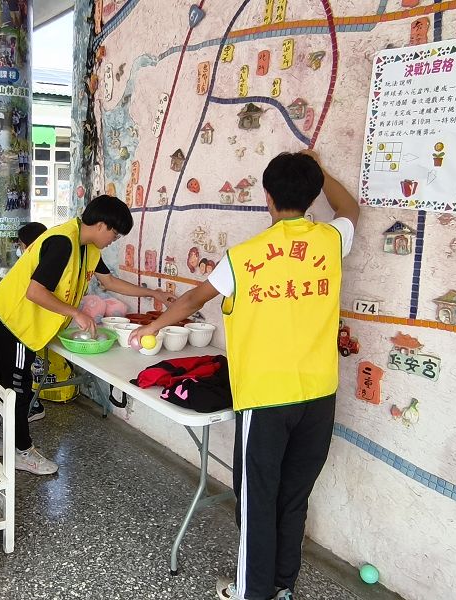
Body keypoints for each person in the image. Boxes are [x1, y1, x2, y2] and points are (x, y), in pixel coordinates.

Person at [129, 151, 360, 600]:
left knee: (257, 501)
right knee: (293, 498)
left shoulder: (243, 258)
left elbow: (193, 300)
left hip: (266, 399)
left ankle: (252, 593)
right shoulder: (331, 240)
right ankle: (282, 586)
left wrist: (152, 328)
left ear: (267, 197)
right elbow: (350, 208)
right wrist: (321, 170)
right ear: (313, 195)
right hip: (319, 396)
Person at [0, 195, 176, 475]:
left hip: (18, 318)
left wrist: (153, 293)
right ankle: (21, 450)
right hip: (13, 321)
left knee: (8, 383)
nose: (114, 240)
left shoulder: (87, 247)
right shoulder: (63, 242)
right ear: (100, 225)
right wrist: (76, 313)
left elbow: (109, 282)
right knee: (18, 387)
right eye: (115, 233)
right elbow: (35, 292)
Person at [0, 221, 48, 292]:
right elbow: (15, 285)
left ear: (29, 245)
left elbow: (28, 290)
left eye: (20, 244)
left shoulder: (38, 267)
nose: (19, 248)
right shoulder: (34, 263)